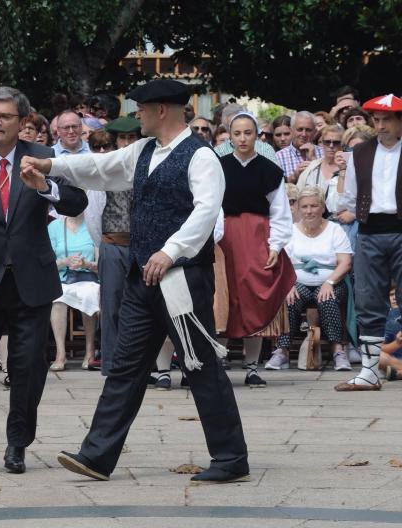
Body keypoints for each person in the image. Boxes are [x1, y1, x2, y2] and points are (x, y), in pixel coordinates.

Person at [22, 79, 249, 484]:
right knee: (124, 367)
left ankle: (231, 458)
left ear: (161, 110)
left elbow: (206, 211)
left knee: (200, 367)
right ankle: (96, 455)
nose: (137, 116)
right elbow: (99, 167)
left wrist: (170, 250)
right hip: (142, 282)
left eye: (142, 109)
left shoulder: (201, 157)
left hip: (182, 280)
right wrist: (51, 166)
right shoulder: (144, 151)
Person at [0, 85, 88, 478]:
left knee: (27, 367)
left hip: (31, 280)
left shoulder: (43, 157)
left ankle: (17, 445)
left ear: (22, 123)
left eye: (4, 116)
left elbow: (78, 202)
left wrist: (45, 188)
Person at [216, 111, 295, 387]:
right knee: (223, 300)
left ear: (257, 135)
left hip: (257, 238)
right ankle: (218, 363)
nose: (242, 138)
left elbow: (280, 211)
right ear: (229, 135)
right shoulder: (217, 165)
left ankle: (252, 367)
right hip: (223, 237)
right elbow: (208, 204)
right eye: (236, 133)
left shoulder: (269, 169)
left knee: (252, 298)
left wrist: (276, 244)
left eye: (247, 133)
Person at [336, 94, 402, 392]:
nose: (380, 125)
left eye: (386, 119)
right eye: (376, 120)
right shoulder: (360, 152)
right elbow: (349, 195)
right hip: (370, 230)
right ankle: (369, 372)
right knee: (367, 301)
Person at [266, 186, 353, 370]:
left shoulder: (335, 230)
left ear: (322, 207)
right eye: (304, 206)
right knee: (289, 299)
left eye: (314, 206)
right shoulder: (290, 231)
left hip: (330, 282)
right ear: (298, 208)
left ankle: (338, 350)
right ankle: (282, 351)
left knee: (328, 298)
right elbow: (281, 264)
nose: (309, 211)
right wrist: (288, 285)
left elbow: (345, 262)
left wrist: (329, 282)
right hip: (297, 282)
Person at [48, 213, 99, 370]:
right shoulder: (54, 227)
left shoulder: (93, 225)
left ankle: (90, 351)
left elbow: (101, 265)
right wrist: (65, 261)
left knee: (89, 295)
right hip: (63, 279)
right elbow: (47, 264)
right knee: (57, 299)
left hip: (90, 279)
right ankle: (60, 354)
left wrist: (87, 263)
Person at [297, 124, 345, 208]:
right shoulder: (311, 167)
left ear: (342, 144)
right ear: (322, 143)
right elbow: (298, 194)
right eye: (327, 142)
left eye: (336, 142)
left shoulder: (349, 167)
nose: (331, 146)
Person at [277, 111, 324, 183]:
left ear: (315, 132)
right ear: (291, 130)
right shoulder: (279, 156)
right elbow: (277, 188)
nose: (304, 134)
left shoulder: (324, 153)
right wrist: (295, 176)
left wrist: (314, 161)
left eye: (308, 130)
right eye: (300, 129)